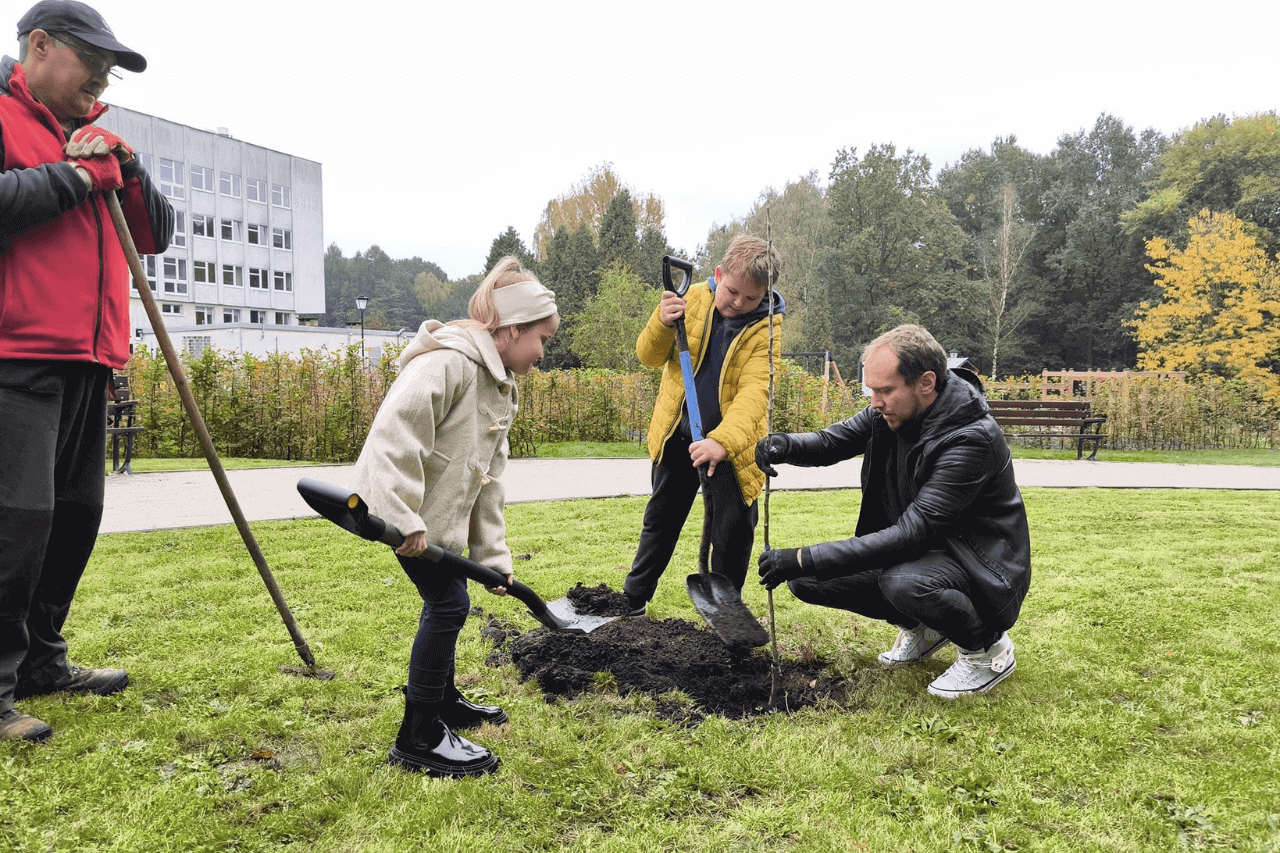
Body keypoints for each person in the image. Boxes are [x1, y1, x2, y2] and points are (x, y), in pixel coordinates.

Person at [0, 0, 174, 743]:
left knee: (73, 518)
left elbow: (155, 234)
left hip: (88, 358)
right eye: (92, 61)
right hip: (17, 355)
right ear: (39, 47)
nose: (103, 76)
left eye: (110, 68)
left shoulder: (93, 136)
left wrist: (125, 168)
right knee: (16, 525)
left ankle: (42, 659)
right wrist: (75, 175)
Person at [348, 257, 558, 778]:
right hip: (406, 522)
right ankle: (418, 734)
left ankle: (442, 704)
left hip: (437, 526)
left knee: (449, 602)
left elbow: (488, 480)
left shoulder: (499, 382)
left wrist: (493, 556)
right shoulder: (447, 363)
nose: (543, 353)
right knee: (447, 606)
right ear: (510, 330)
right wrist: (401, 518)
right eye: (542, 339)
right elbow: (394, 437)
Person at [755, 325, 1031, 698]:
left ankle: (987, 650)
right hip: (925, 555)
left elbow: (913, 534)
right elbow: (830, 442)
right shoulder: (891, 413)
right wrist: (782, 445)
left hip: (982, 570)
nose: (874, 402)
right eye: (870, 390)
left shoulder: (970, 438)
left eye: (884, 391)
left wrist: (803, 556)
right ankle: (925, 630)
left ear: (926, 382)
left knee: (900, 582)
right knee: (808, 580)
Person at [622, 235, 784, 616]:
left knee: (731, 534)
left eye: (751, 298)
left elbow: (754, 394)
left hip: (734, 447)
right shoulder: (689, 299)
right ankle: (632, 599)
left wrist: (722, 442)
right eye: (732, 292)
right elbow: (648, 356)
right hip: (679, 436)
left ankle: (726, 614)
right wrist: (662, 323)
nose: (739, 303)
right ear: (718, 274)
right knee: (660, 519)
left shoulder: (767, 328)